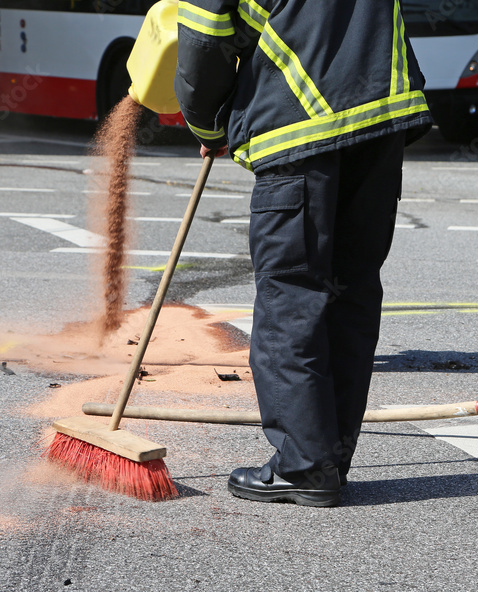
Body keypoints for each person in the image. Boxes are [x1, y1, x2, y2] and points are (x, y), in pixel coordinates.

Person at [174, 1, 432, 505]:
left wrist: (209, 125)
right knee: (351, 292)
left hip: (299, 129)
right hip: (380, 125)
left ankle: (305, 465)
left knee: (292, 296)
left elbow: (204, 38)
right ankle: (328, 458)